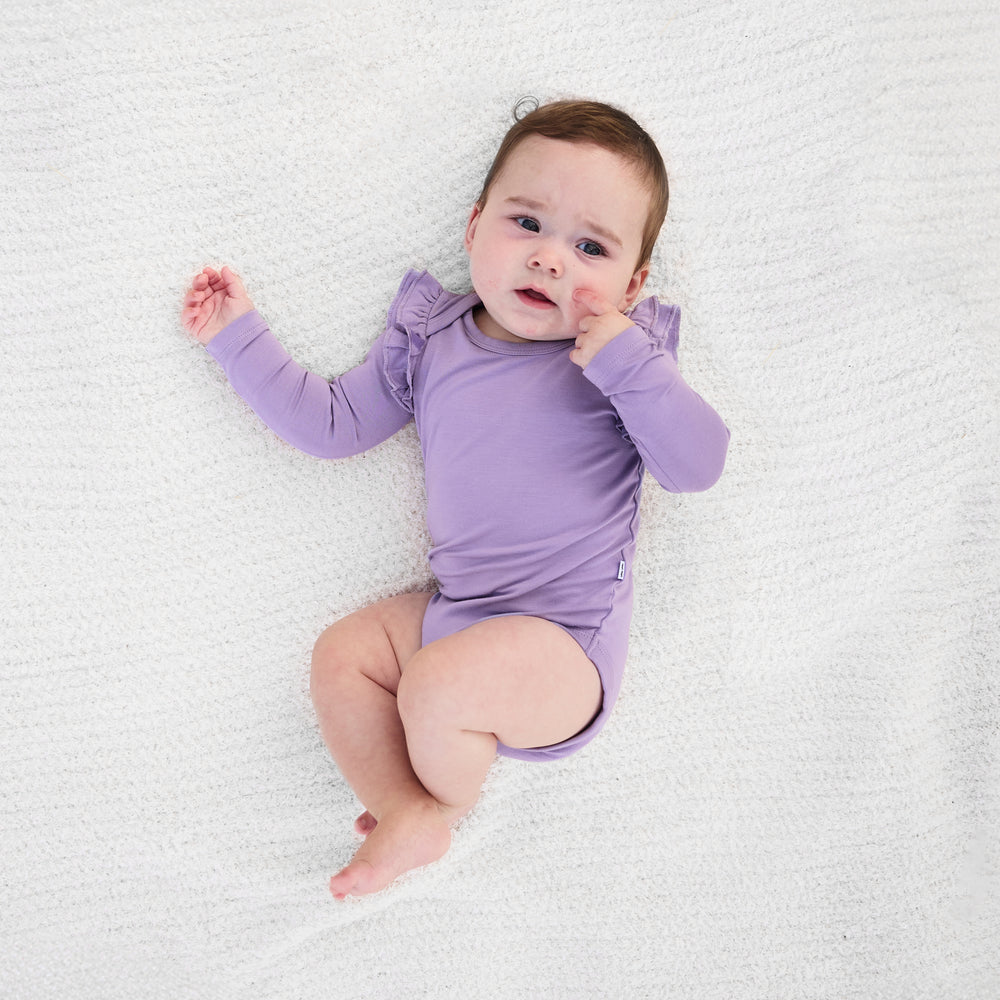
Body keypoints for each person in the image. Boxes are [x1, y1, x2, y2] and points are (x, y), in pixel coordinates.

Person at [181, 99, 729, 900]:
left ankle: (440, 801)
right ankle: (407, 810)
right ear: (473, 229)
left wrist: (631, 365)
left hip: (563, 646)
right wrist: (237, 335)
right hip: (458, 608)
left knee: (437, 686)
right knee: (345, 657)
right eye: (526, 223)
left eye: (590, 247)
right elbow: (332, 424)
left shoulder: (624, 361)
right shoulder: (431, 340)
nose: (549, 260)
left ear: (631, 282)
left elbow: (697, 466)